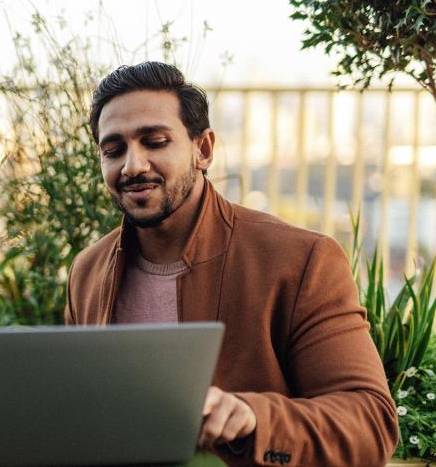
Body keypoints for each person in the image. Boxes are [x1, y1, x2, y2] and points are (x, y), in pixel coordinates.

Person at [65, 62, 398, 465]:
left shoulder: (300, 260)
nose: (132, 165)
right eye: (113, 150)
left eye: (154, 142)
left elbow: (370, 423)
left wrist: (253, 417)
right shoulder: (88, 271)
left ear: (203, 150)